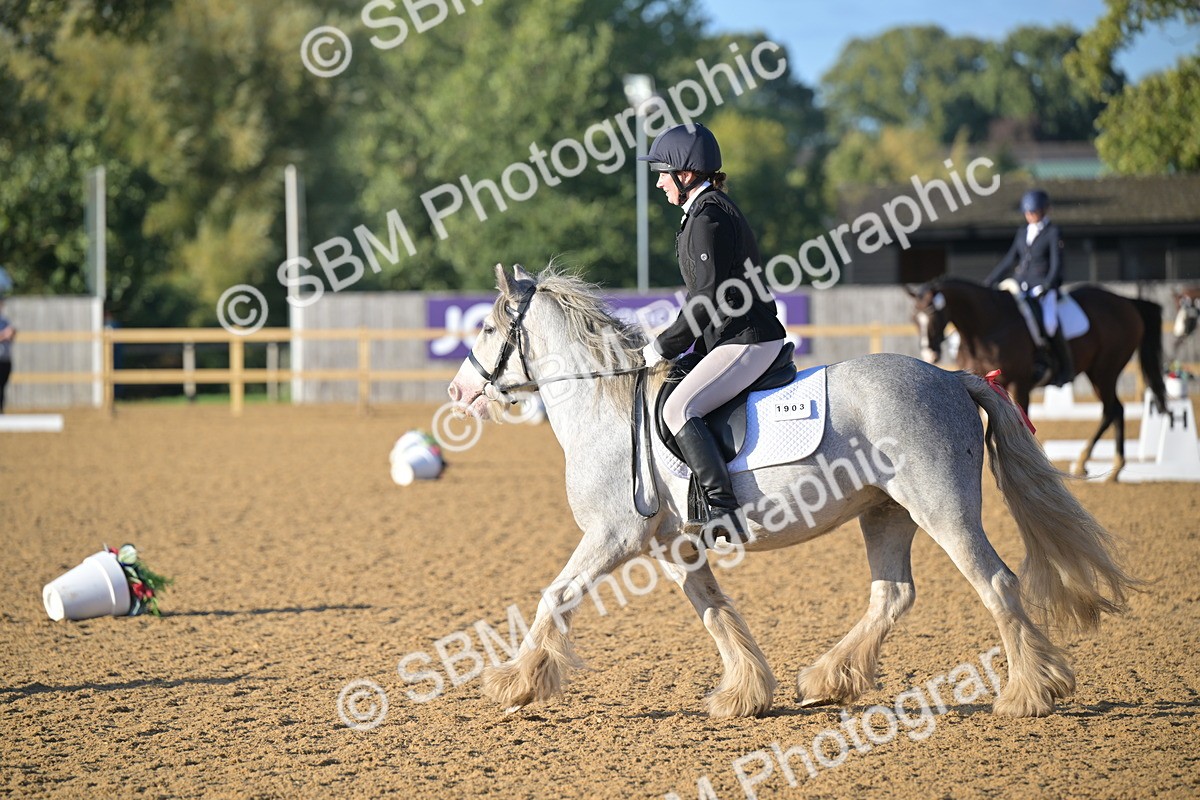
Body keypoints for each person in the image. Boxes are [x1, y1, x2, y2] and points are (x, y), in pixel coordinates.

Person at [638, 123, 787, 545]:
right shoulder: (705, 212)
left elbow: (705, 298)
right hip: (730, 337)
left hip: (748, 338)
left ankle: (722, 509)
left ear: (686, 174)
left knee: (678, 410)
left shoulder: (709, 216)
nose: (659, 182)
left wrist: (662, 346)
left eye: (663, 173)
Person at [984, 189, 1073, 386]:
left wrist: (1049, 285)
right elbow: (1010, 259)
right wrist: (990, 280)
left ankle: (1065, 367)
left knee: (1049, 323)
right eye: (1028, 212)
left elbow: (1057, 263)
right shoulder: (1023, 231)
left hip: (1043, 287)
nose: (1030, 215)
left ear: (1044, 211)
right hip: (1020, 285)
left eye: (1034, 212)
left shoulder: (1052, 232)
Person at [0, 298, 14, 414]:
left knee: (2, 386)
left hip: (4, 359)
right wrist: (4, 335)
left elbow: (11, 334)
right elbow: (6, 334)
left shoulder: (5, 321)